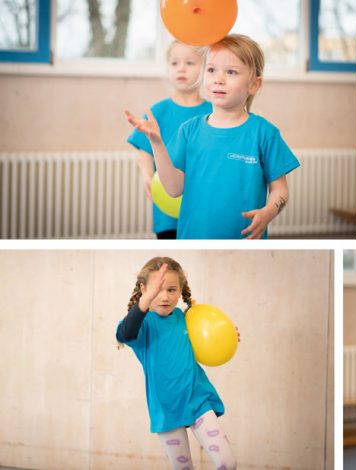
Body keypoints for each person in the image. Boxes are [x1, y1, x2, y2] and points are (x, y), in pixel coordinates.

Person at [126, 35, 300, 239]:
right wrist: (156, 142)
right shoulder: (188, 130)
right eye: (211, 70)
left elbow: (280, 190)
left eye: (231, 72)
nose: (219, 79)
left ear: (254, 84)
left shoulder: (265, 133)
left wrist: (268, 212)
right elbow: (173, 189)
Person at [116, 257, 237, 469]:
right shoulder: (142, 325)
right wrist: (146, 300)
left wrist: (226, 335)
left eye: (172, 290)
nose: (164, 296)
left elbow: (207, 337)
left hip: (198, 401)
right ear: (144, 289)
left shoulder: (185, 317)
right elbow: (125, 333)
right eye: (157, 290)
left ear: (181, 290)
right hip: (167, 409)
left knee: (228, 463)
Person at [127, 41, 211, 239]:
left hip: (204, 207)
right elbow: (144, 153)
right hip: (167, 209)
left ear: (206, 68)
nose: (181, 68)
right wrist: (147, 176)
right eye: (174, 63)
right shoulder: (157, 112)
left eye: (190, 63)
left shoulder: (214, 112)